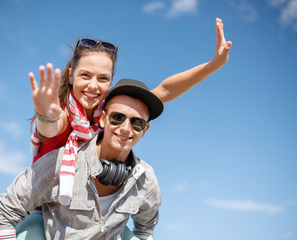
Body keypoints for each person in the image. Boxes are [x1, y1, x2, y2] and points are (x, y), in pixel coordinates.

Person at [18, 17, 231, 239]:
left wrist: (213, 65)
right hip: (46, 217)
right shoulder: (62, 116)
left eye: (103, 78)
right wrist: (47, 115)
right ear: (70, 75)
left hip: (90, 218)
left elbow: (165, 90)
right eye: (85, 75)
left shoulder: (113, 114)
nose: (93, 85)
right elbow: (51, 128)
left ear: (110, 82)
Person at [0, 79, 164, 240]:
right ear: (103, 119)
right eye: (117, 118)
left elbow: (146, 227)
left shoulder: (146, 179)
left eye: (136, 123)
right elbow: (5, 208)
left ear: (145, 129)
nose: (126, 128)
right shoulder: (63, 163)